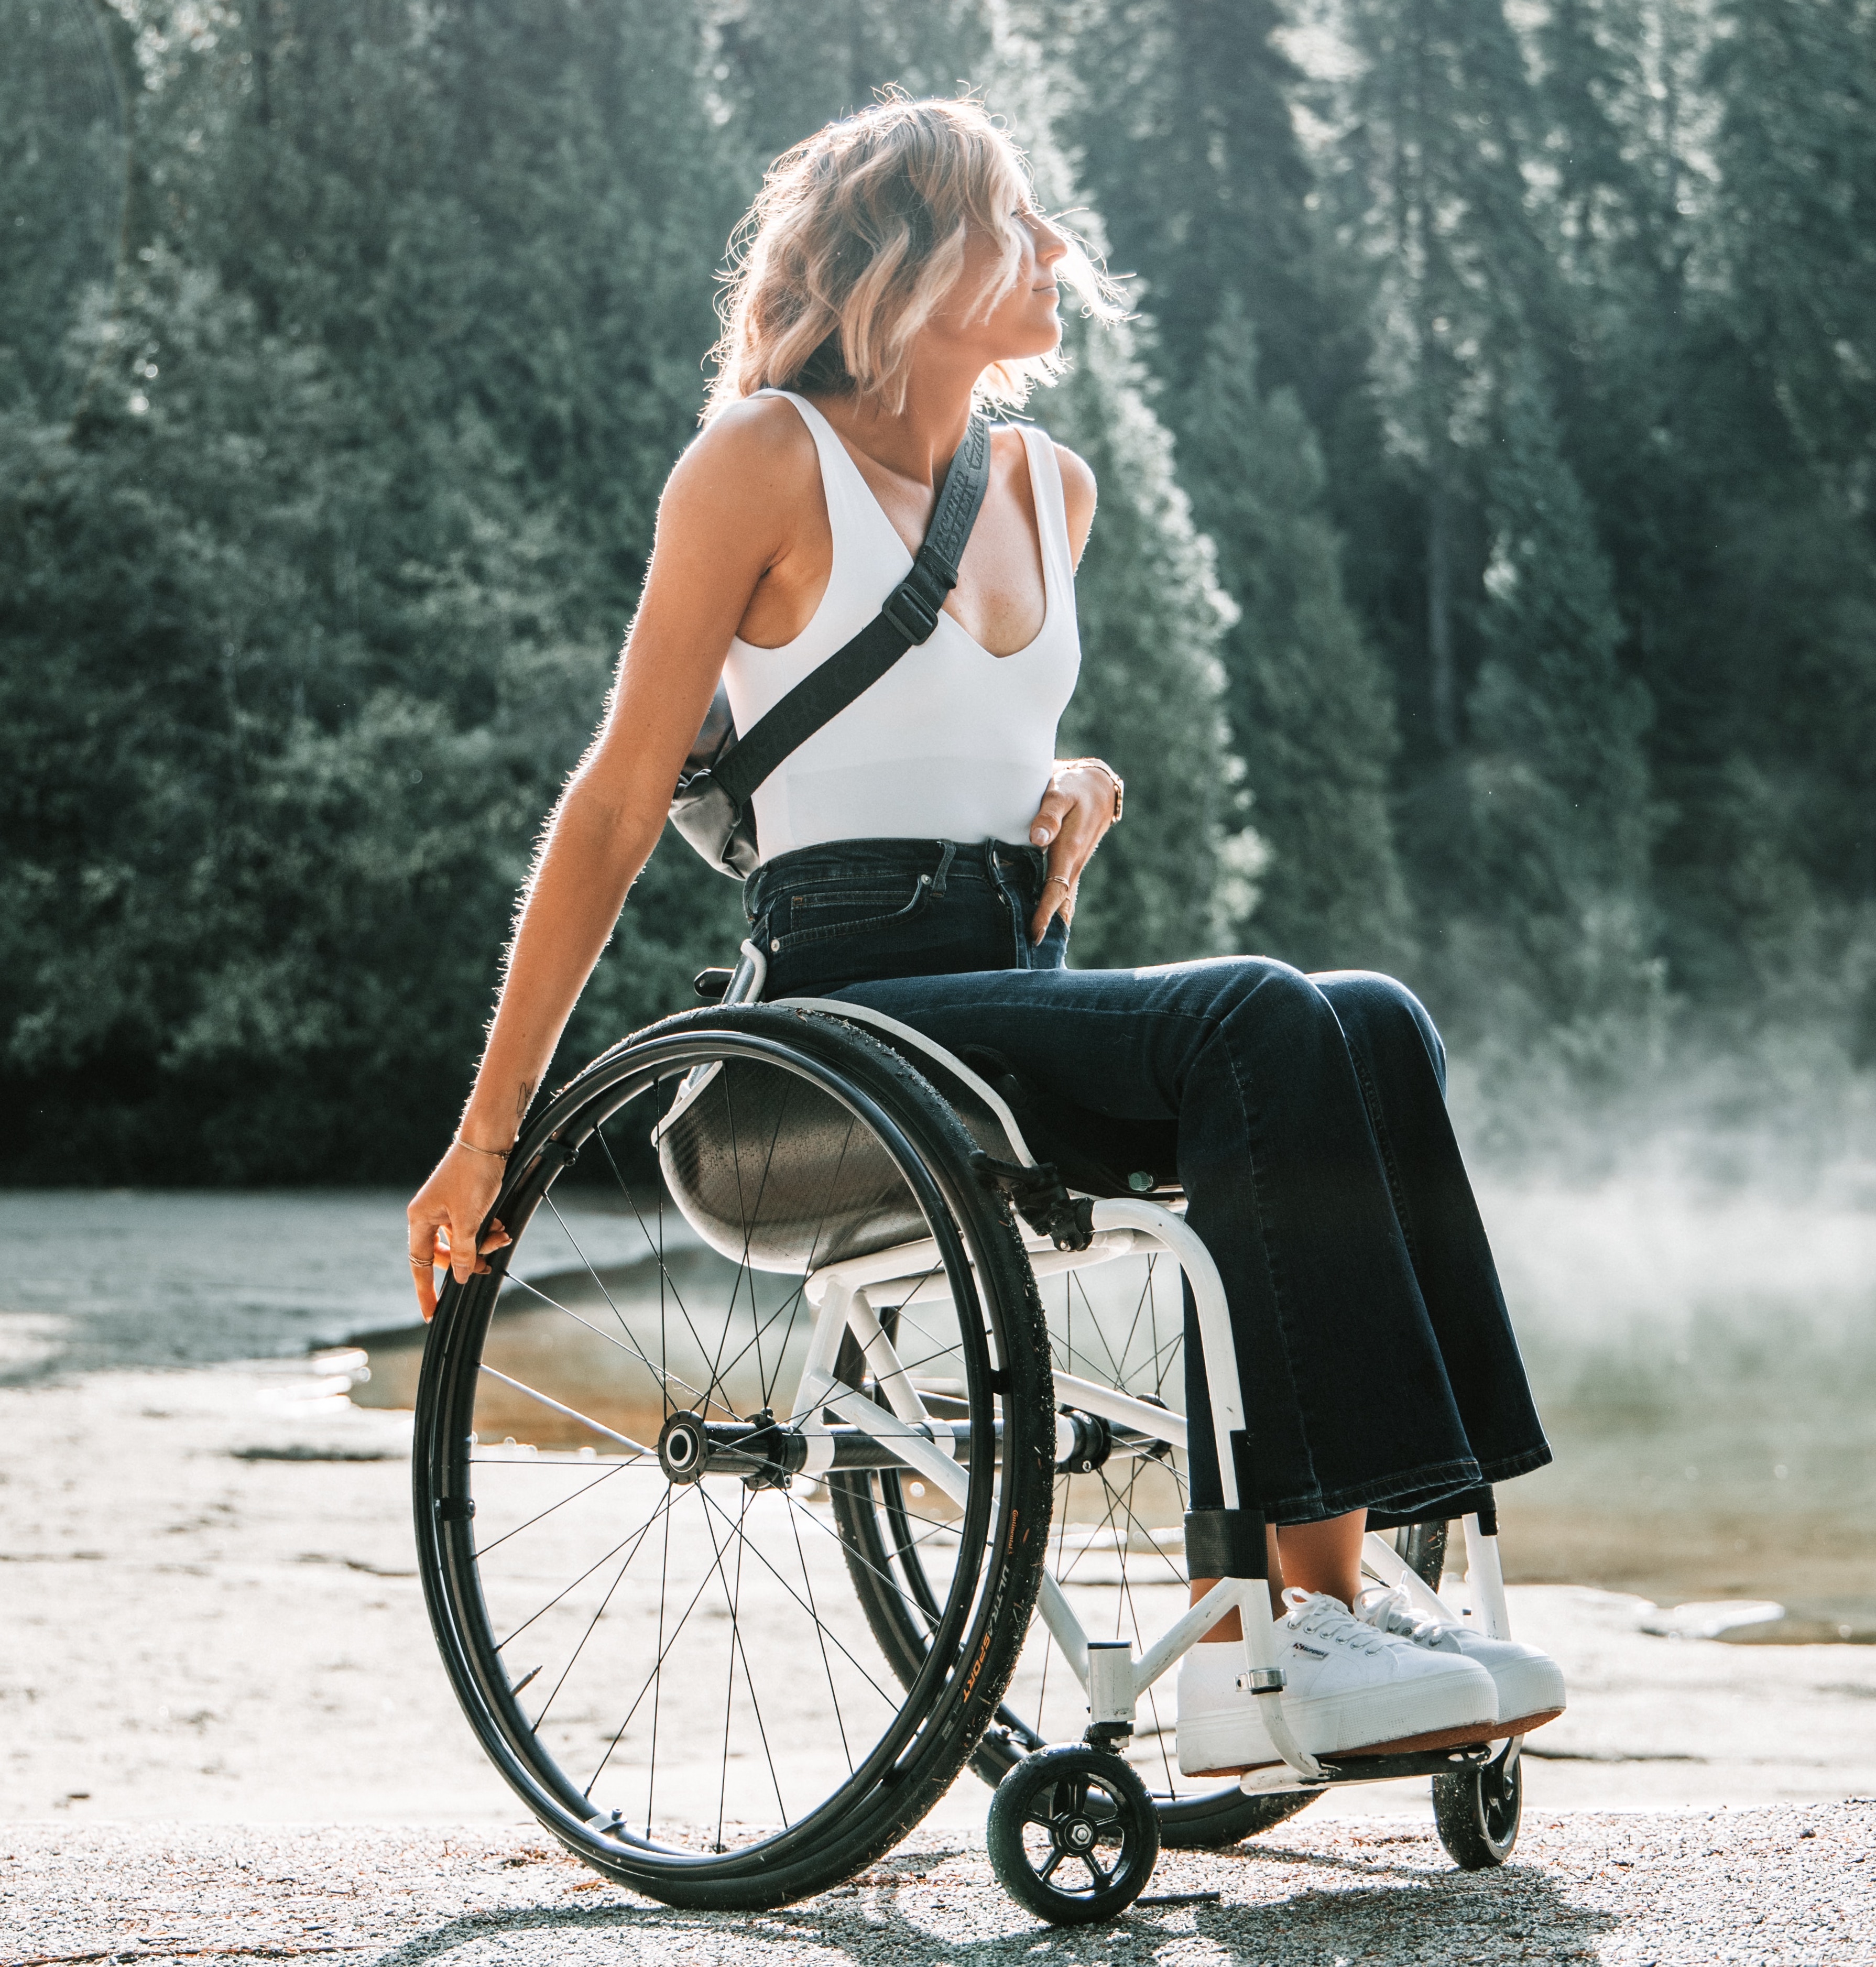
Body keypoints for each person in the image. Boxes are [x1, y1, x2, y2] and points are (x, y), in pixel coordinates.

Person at [405, 95, 1563, 1778]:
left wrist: (1061, 784)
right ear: (918, 256)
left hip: (995, 981)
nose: (1057, 255)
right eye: (1018, 221)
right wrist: (485, 1131)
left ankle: (1326, 1591)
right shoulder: (758, 462)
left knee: (1367, 1018)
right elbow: (610, 805)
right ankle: (1283, 1631)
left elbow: (963, 736)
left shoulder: (1052, 488)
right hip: (828, 1026)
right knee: (1252, 1012)